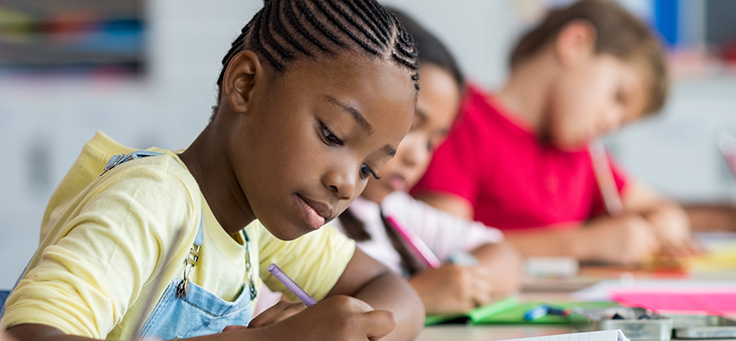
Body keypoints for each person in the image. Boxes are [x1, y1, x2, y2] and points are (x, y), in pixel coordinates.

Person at [0, 1, 425, 340]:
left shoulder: (255, 226)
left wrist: (350, 329)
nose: (347, 183)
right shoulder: (151, 204)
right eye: (332, 135)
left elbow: (394, 290)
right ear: (245, 85)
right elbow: (28, 333)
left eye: (369, 167)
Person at [411, 0, 694, 265]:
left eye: (622, 122)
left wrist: (665, 219)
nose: (611, 123)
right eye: (617, 97)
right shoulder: (461, 118)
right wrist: (584, 244)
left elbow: (655, 204)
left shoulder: (579, 152)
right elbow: (443, 248)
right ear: (576, 44)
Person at [330, 8, 522, 315]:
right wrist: (418, 295)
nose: (417, 156)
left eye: (433, 142)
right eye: (410, 127)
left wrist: (460, 277)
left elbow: (505, 255)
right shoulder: (314, 214)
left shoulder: (393, 212)